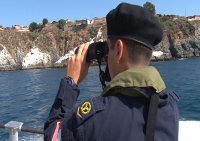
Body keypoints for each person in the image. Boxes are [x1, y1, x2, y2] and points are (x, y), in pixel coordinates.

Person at [44, 2, 179, 141]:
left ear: (119, 50)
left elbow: (53, 136)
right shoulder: (169, 104)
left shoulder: (93, 119)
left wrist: (70, 82)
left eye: (108, 48)